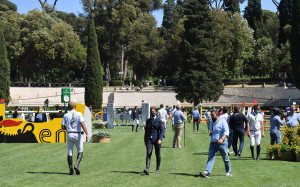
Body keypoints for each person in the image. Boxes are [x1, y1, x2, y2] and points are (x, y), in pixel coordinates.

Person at [200, 110, 231, 178]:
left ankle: (228, 171)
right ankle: (207, 172)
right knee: (210, 158)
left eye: (212, 115)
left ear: (217, 115)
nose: (211, 117)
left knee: (225, 158)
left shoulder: (222, 121)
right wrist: (211, 134)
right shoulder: (211, 122)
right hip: (213, 143)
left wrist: (222, 139)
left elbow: (226, 131)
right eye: (211, 115)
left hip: (222, 144)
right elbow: (211, 131)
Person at [61, 102, 89, 175]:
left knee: (70, 152)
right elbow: (82, 124)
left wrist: (68, 130)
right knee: (80, 151)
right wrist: (87, 133)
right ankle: (76, 165)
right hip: (77, 134)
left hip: (69, 134)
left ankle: (71, 170)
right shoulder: (79, 114)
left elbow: (62, 126)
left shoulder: (66, 115)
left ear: (68, 107)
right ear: (75, 106)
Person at [143, 108, 165, 175]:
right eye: (151, 111)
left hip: (157, 140)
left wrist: (160, 139)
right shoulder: (148, 121)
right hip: (149, 139)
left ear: (156, 112)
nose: (152, 113)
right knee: (148, 153)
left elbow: (162, 131)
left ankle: (157, 169)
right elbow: (146, 131)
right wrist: (145, 140)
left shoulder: (159, 121)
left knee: (157, 154)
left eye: (153, 111)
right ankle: (147, 169)